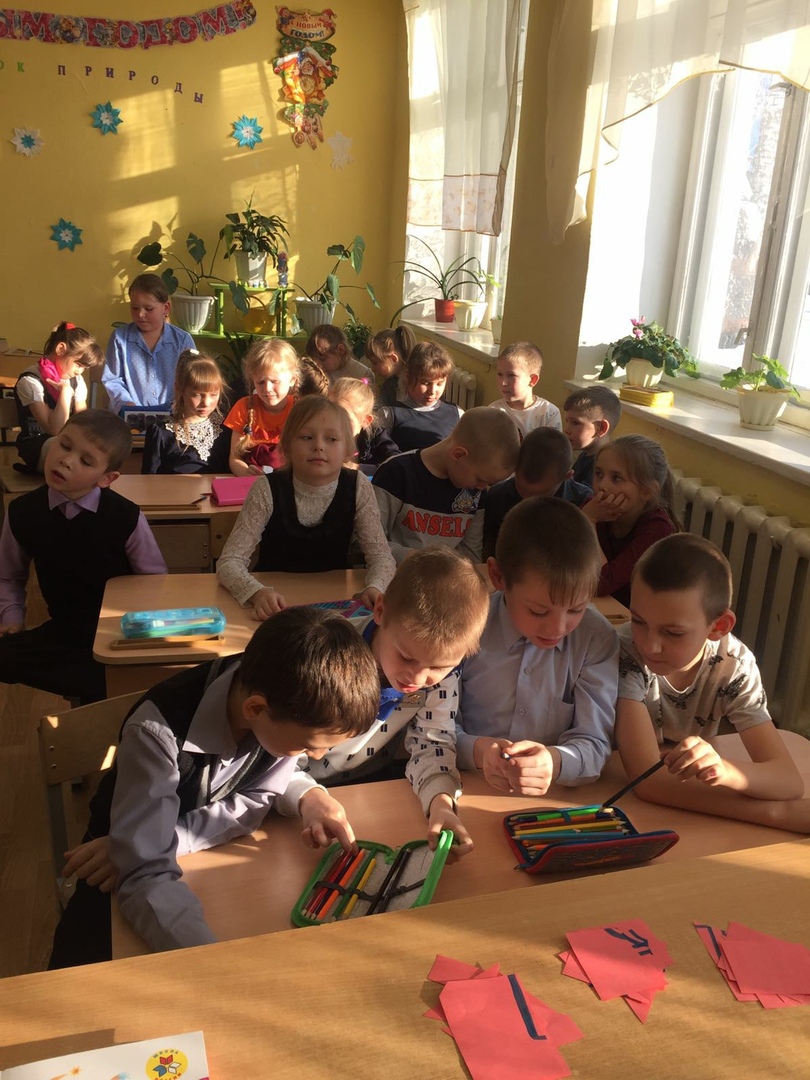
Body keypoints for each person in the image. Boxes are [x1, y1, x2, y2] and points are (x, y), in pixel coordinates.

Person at [48, 606, 382, 966]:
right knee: (80, 970)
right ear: (256, 710)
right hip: (107, 864)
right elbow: (144, 876)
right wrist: (213, 962)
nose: (315, 758)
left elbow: (255, 802)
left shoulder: (279, 697)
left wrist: (152, 843)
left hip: (144, 850)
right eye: (306, 746)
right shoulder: (157, 733)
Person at [275, 547, 490, 856]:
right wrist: (307, 796)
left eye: (438, 667)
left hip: (371, 790)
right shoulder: (326, 657)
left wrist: (441, 803)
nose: (418, 677)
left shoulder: (440, 676)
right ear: (380, 611)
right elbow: (275, 756)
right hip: (297, 798)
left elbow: (433, 744)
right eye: (406, 657)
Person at [615, 534, 809, 831]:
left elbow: (788, 781)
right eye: (638, 621)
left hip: (680, 804)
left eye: (673, 633)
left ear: (718, 626)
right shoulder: (623, 651)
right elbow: (647, 780)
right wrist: (776, 814)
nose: (650, 646)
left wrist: (726, 771)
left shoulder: (733, 665)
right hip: (614, 792)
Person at [0, 410, 166, 704]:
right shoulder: (22, 511)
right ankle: (105, 685)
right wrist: (12, 618)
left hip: (119, 630)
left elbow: (154, 581)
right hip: (64, 631)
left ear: (106, 478)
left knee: (107, 673)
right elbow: (9, 576)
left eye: (86, 461)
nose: (66, 460)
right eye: (64, 445)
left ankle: (107, 686)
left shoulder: (125, 516)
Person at [457, 497, 618, 795]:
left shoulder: (595, 637)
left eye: (576, 609)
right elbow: (433, 729)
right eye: (538, 611)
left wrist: (555, 761)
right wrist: (477, 751)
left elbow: (595, 742)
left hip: (553, 796)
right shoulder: (465, 626)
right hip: (467, 787)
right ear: (498, 577)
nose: (557, 629)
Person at [217, 396, 395, 616]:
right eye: (306, 437)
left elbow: (381, 558)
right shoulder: (266, 488)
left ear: (348, 450)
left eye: (331, 439)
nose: (318, 446)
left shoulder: (358, 486)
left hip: (334, 605)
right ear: (287, 446)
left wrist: (375, 587)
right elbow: (229, 562)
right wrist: (256, 593)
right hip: (277, 606)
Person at [373, 407, 520, 564]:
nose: (482, 488)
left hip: (449, 576)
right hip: (396, 574)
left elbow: (471, 554)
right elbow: (369, 543)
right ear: (458, 455)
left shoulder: (476, 492)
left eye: (489, 483)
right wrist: (420, 559)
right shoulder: (396, 473)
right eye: (480, 479)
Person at [581, 434, 678, 607]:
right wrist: (586, 517)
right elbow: (559, 560)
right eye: (599, 474)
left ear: (647, 491)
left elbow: (601, 582)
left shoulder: (657, 528)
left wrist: (588, 521)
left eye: (616, 478)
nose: (602, 485)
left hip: (638, 616)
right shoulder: (593, 508)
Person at [482, 427, 592, 559]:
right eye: (521, 489)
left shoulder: (584, 504)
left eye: (540, 495)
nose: (527, 500)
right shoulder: (498, 496)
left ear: (567, 476)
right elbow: (489, 551)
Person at [14, 321, 103, 473]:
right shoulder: (30, 381)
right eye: (78, 364)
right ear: (60, 349)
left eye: (84, 368)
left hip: (70, 443)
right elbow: (55, 429)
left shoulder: (77, 380)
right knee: (63, 447)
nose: (79, 372)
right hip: (38, 444)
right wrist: (65, 393)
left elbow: (83, 422)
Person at [102, 274, 195, 414]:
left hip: (173, 416)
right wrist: (127, 404)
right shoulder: (119, 338)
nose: (140, 314)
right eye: (135, 308)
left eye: (149, 309)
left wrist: (178, 404)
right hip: (129, 416)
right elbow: (112, 379)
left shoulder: (182, 340)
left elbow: (191, 380)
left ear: (166, 308)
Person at [141, 350, 230, 474]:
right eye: (197, 395)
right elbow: (148, 480)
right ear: (179, 389)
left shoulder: (227, 429)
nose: (206, 402)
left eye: (214, 394)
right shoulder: (161, 433)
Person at [223, 338, 299, 475]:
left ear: (292, 380)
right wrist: (247, 474)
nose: (267, 388)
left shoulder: (301, 410)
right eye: (261, 382)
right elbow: (235, 458)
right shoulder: (244, 407)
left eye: (274, 381)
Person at [378, 343, 463, 452]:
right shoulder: (389, 416)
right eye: (425, 383)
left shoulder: (457, 414)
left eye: (439, 383)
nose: (432, 391)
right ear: (408, 377)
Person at [487, 341, 562, 434]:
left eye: (511, 375)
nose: (503, 382)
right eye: (500, 374)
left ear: (532, 380)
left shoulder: (549, 413)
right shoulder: (493, 411)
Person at [328, 376, 399, 469]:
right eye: (329, 415)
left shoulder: (375, 437)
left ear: (366, 421)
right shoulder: (320, 433)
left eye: (345, 418)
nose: (335, 423)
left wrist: (356, 467)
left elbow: (396, 465)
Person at [563, 385, 622, 490]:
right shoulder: (586, 454)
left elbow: (583, 497)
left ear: (601, 428)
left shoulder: (603, 466)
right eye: (567, 421)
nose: (566, 429)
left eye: (575, 423)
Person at [306, 324, 373, 384]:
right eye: (315, 361)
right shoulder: (319, 374)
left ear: (341, 350)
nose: (318, 365)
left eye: (322, 359)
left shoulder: (363, 373)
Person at [366, 324, 416, 405]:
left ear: (393, 359)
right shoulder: (390, 385)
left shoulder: (414, 387)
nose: (373, 368)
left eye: (375, 363)